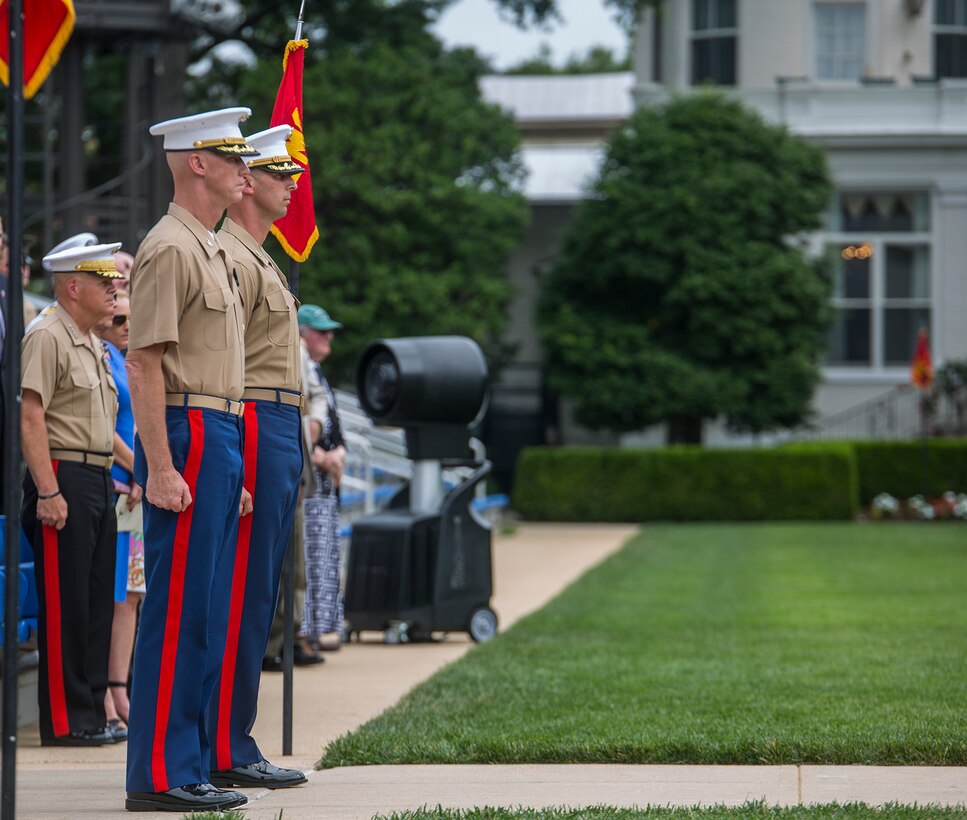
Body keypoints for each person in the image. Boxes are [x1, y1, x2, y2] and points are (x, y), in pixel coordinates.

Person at [123, 107, 255, 814]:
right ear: (195, 163)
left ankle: (190, 760)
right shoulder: (170, 247)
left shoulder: (206, 246)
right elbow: (143, 364)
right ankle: (159, 773)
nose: (246, 170)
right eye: (230, 156)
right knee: (177, 611)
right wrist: (162, 467)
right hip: (191, 427)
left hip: (220, 429)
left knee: (201, 609)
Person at [207, 125, 309, 789]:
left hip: (275, 419)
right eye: (280, 174)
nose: (293, 184)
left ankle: (231, 739)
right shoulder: (234, 258)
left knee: (258, 593)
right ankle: (225, 745)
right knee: (240, 593)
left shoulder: (257, 256)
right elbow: (225, 364)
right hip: (250, 418)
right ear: (246, 182)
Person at [20, 241, 126, 746]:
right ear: (71, 286)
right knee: (67, 608)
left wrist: (141, 470)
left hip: (97, 477)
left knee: (95, 604)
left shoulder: (89, 340)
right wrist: (47, 490)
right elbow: (31, 415)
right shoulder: (47, 334)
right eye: (102, 279)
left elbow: (105, 430)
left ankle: (91, 714)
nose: (113, 287)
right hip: (62, 476)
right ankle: (66, 722)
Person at [262, 338, 328, 671]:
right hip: (276, 453)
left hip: (296, 454)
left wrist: (315, 421)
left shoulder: (298, 348)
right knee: (276, 564)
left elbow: (315, 396)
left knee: (296, 568)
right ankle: (271, 644)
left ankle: (291, 637)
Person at [94, 291, 142, 735]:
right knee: (114, 595)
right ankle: (108, 690)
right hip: (117, 486)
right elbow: (106, 429)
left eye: (134, 317)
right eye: (121, 317)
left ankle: (120, 685)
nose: (129, 324)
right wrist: (138, 470)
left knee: (130, 595)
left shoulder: (125, 356)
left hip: (133, 489)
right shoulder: (104, 357)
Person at [298, 304, 347, 651]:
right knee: (308, 559)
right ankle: (304, 630)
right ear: (302, 333)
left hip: (326, 482)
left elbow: (338, 431)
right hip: (309, 479)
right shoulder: (299, 367)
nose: (329, 336)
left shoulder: (321, 377)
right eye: (321, 330)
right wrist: (319, 456)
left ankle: (319, 627)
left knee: (325, 558)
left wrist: (338, 454)